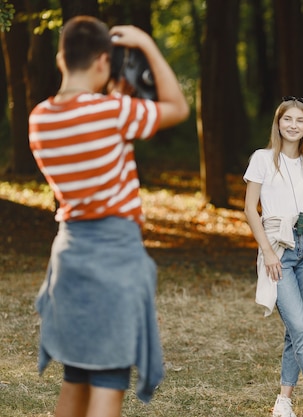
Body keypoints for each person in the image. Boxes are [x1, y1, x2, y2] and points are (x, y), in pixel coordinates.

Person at [28, 16, 189, 417]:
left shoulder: (39, 119)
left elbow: (90, 131)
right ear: (103, 60)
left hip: (69, 254)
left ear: (62, 58)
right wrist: (147, 45)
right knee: (109, 379)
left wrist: (113, 95)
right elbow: (177, 107)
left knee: (76, 376)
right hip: (115, 256)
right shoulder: (113, 111)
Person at [244, 97, 303, 417]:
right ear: (278, 122)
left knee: (295, 329)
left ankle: (284, 400)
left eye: (301, 121)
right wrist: (267, 253)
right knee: (300, 326)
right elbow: (249, 210)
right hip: (278, 249)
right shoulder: (262, 158)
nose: (294, 125)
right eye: (288, 120)